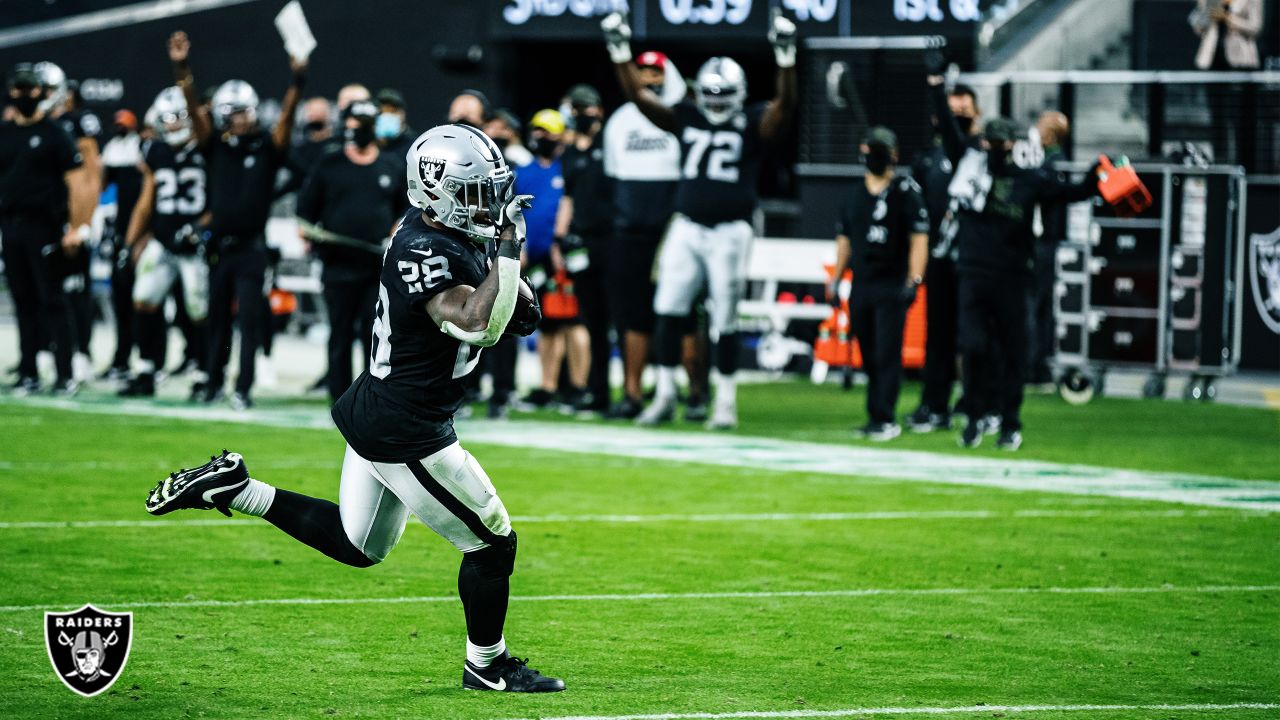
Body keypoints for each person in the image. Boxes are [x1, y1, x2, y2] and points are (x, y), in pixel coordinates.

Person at [144, 124, 560, 694]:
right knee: (491, 542)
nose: (487, 205)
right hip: (407, 427)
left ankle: (234, 489)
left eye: (490, 190)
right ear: (436, 191)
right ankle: (487, 663)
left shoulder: (437, 229)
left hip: (379, 405)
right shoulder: (423, 248)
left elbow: (520, 312)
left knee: (360, 546)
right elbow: (480, 323)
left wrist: (504, 265)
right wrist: (510, 250)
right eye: (474, 192)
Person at [601, 10, 798, 429]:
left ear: (739, 92)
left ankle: (725, 401)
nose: (715, 100)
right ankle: (666, 393)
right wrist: (619, 50)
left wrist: (785, 57)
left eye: (723, 92)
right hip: (687, 225)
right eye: (709, 91)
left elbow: (786, 105)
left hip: (731, 229)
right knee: (667, 308)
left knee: (724, 316)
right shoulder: (685, 115)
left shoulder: (752, 121)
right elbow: (639, 97)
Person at [928, 64, 1101, 451]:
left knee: (1012, 352)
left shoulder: (1028, 180)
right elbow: (952, 134)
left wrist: (1096, 176)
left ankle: (1010, 421)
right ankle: (975, 417)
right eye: (990, 142)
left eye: (1000, 144)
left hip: (1011, 277)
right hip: (972, 274)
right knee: (973, 347)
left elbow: (1070, 194)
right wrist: (938, 89)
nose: (993, 149)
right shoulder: (969, 166)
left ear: (1011, 146)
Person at [166, 30, 304, 409]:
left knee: (249, 321)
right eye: (237, 111)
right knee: (216, 321)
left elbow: (288, 118)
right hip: (220, 248)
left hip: (251, 249)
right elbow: (195, 113)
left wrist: (297, 81)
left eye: (245, 110)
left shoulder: (266, 147)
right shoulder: (216, 146)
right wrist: (182, 69)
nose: (243, 118)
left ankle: (242, 387)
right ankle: (212, 380)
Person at [296, 100, 406, 402]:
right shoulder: (329, 164)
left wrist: (395, 231)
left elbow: (405, 211)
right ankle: (340, 398)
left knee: (375, 336)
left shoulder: (391, 165)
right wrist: (307, 232)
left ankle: (372, 396)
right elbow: (305, 211)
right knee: (340, 335)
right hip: (337, 265)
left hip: (376, 269)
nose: (356, 131)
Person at [1, 64, 94, 395]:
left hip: (45, 227)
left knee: (53, 300)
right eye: (20, 90)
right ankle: (29, 372)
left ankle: (65, 373)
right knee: (23, 302)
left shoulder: (56, 133)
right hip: (10, 226)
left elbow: (76, 182)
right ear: (11, 91)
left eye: (31, 90)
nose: (25, 96)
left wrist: (76, 227)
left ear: (41, 93)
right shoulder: (5, 133)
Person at [830, 127, 929, 441]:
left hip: (891, 283)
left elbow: (919, 238)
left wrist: (914, 279)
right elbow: (845, 239)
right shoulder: (854, 195)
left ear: (893, 155)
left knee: (888, 352)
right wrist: (836, 279)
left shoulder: (905, 192)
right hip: (862, 283)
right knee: (869, 351)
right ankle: (875, 412)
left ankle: (885, 416)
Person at [599, 50, 682, 419]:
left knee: (681, 313)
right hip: (630, 229)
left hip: (674, 228)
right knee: (631, 314)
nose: (649, 78)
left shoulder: (681, 115)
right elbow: (614, 177)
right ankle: (632, 393)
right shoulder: (620, 121)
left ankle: (692, 393)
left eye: (655, 72)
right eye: (642, 71)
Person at [118, 86, 211, 398]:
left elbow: (219, 199)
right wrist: (130, 242)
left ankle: (203, 372)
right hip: (162, 238)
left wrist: (201, 227)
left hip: (195, 243)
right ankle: (146, 369)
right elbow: (147, 200)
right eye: (166, 118)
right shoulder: (155, 151)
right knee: (143, 300)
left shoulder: (207, 148)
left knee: (198, 310)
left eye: (177, 117)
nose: (171, 124)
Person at [905, 81, 982, 433]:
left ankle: (977, 402)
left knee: (975, 335)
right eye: (952, 112)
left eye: (965, 110)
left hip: (976, 260)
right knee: (938, 335)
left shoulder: (982, 154)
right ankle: (934, 405)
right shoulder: (928, 160)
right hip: (940, 258)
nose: (959, 115)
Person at [515, 109, 590, 410]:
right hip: (536, 256)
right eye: (537, 130)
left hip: (567, 255)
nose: (541, 137)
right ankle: (547, 387)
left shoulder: (569, 168)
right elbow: (517, 216)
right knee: (546, 323)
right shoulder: (524, 172)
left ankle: (579, 386)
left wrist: (565, 245)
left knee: (574, 321)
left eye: (547, 131)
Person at [38, 63, 102, 384]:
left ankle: (82, 353)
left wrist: (83, 221)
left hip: (71, 217)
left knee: (75, 290)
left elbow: (91, 174)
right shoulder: (32, 125)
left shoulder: (75, 124)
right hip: (42, 217)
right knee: (42, 289)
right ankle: (46, 349)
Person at [555, 84, 614, 414]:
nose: (580, 116)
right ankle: (595, 390)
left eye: (584, 110)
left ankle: (621, 392)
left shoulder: (610, 144)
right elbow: (569, 197)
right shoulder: (572, 153)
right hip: (583, 240)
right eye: (575, 111)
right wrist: (559, 238)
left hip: (611, 238)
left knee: (614, 315)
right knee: (590, 317)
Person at [100, 109, 145, 382]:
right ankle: (122, 358)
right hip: (121, 238)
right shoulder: (113, 152)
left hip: (141, 238)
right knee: (122, 302)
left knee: (145, 303)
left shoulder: (142, 153)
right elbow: (103, 188)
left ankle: (148, 361)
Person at [1029, 110, 1071, 387]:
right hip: (1046, 242)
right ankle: (1038, 363)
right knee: (1040, 307)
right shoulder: (1051, 161)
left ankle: (1033, 365)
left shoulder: (1053, 164)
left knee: (1034, 305)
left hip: (1043, 242)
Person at [375, 88, 415, 173]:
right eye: (381, 112)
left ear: (402, 114)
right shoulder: (369, 144)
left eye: (392, 111)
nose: (386, 116)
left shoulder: (414, 146)